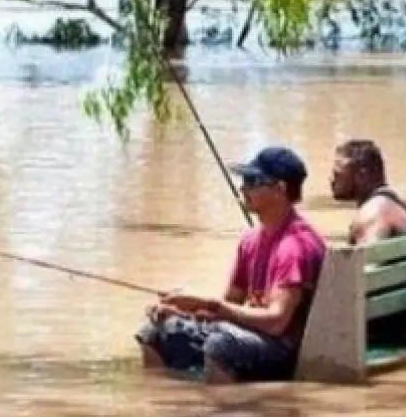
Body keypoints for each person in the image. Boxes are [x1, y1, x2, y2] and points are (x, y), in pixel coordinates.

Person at [134, 146, 327, 384]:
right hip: (250, 334)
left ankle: (222, 414)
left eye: (253, 181)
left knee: (221, 344)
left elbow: (277, 323)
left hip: (282, 348)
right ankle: (167, 405)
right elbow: (231, 302)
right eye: (244, 180)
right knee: (155, 330)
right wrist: (186, 309)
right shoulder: (250, 239)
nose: (243, 188)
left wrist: (212, 305)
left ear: (280, 188)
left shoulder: (295, 246)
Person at [329, 138, 406, 347]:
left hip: (382, 326)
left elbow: (363, 276)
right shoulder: (392, 204)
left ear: (362, 173)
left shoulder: (374, 214)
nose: (331, 178)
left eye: (338, 171)